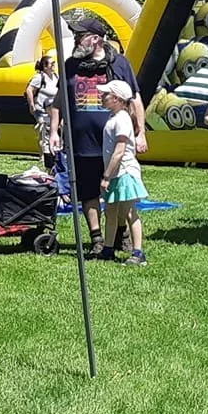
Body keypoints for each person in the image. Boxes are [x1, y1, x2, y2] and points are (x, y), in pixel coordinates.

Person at [58, 19, 143, 256]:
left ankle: (120, 234)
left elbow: (135, 98)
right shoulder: (70, 66)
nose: (76, 39)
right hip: (82, 142)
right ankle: (97, 238)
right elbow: (59, 99)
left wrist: (141, 131)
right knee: (88, 191)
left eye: (80, 35)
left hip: (114, 143)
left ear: (95, 38)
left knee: (119, 189)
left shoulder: (120, 64)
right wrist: (55, 131)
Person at [99, 81, 149, 266]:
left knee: (129, 213)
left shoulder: (121, 119)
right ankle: (108, 249)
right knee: (111, 212)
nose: (102, 97)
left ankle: (138, 253)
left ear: (117, 99)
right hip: (116, 174)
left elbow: (119, 151)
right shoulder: (114, 117)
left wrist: (106, 176)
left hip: (124, 172)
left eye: (106, 95)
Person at [26, 53, 62, 171]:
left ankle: (53, 154)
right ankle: (44, 157)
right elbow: (29, 90)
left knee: (54, 130)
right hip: (42, 110)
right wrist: (32, 104)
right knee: (44, 132)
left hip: (54, 111)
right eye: (51, 64)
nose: (53, 66)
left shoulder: (55, 76)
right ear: (45, 66)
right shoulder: (39, 78)